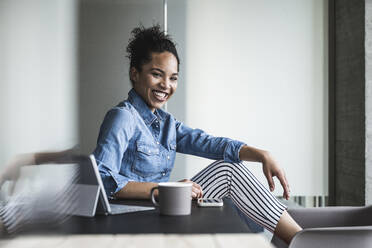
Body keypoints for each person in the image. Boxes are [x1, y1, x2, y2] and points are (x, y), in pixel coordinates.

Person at [93, 25, 302, 244]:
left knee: (229, 182)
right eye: (157, 74)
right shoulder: (123, 117)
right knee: (228, 173)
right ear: (135, 74)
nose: (166, 85)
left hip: (159, 211)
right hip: (131, 218)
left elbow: (211, 144)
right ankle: (303, 240)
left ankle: (286, 240)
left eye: (173, 78)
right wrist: (163, 190)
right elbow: (102, 179)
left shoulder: (166, 124)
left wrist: (261, 154)